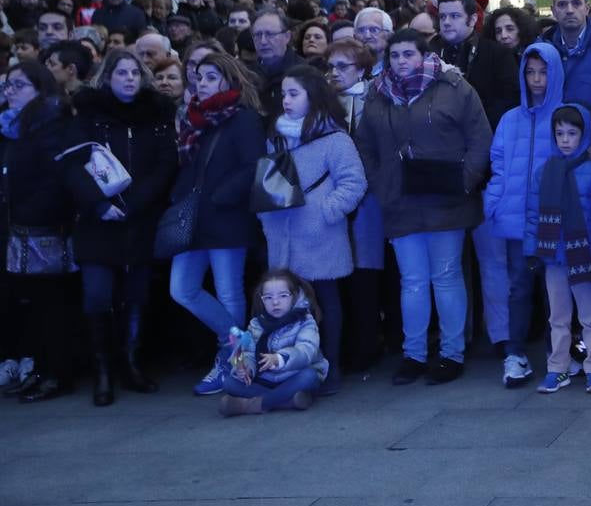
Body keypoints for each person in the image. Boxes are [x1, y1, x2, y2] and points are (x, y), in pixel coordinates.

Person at [356, 29, 492, 386]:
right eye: (395, 55)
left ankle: (451, 354)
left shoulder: (454, 87)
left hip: (446, 197)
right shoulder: (377, 94)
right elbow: (364, 145)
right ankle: (414, 354)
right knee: (412, 280)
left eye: (408, 54)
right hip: (399, 200)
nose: (401, 61)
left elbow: (480, 137)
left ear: (423, 55)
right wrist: (380, 183)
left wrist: (465, 180)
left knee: (445, 277)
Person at [64, 50, 178, 406]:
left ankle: (130, 364)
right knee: (97, 294)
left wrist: (133, 204)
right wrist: (99, 204)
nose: (129, 78)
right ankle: (103, 371)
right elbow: (72, 165)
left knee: (136, 295)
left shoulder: (157, 114)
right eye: (121, 73)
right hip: (98, 221)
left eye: (134, 72)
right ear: (107, 77)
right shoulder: (88, 114)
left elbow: (165, 164)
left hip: (138, 218)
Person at [257, 65, 367, 396]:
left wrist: (326, 212)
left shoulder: (334, 138)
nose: (286, 100)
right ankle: (295, 367)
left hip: (320, 236)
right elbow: (267, 182)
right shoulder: (275, 137)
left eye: (294, 94)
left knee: (327, 301)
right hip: (282, 234)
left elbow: (354, 182)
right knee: (291, 306)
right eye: (284, 94)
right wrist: (267, 216)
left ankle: (330, 365)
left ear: (313, 96)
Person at [168, 52, 267, 396]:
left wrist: (220, 196)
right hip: (195, 217)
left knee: (228, 290)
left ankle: (230, 358)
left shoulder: (243, 119)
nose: (202, 83)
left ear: (229, 79)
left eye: (211, 77)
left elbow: (252, 165)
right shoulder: (197, 119)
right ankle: (241, 346)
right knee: (182, 289)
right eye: (199, 76)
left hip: (226, 216)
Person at [483, 42, 566, 387]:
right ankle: (515, 353)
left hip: (553, 219)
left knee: (555, 290)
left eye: (543, 72)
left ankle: (557, 354)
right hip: (517, 220)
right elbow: (498, 165)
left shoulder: (566, 115)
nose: (536, 79)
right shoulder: (510, 119)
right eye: (530, 72)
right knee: (518, 287)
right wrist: (494, 202)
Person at [526, 105, 591, 394]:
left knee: (590, 317)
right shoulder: (545, 172)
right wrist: (532, 250)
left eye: (572, 133)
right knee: (558, 316)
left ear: (584, 134)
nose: (565, 139)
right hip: (554, 257)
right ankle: (558, 367)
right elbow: (532, 214)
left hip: (584, 256)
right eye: (560, 133)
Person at [1, 61, 76, 402]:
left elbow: (55, 178)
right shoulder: (16, 126)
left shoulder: (51, 122)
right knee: (31, 304)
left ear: (39, 87)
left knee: (51, 305)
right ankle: (41, 368)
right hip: (19, 226)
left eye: (18, 85)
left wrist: (30, 213)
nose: (9, 91)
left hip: (45, 227)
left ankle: (57, 373)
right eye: (7, 85)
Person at [324, 39, 385, 371]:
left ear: (361, 69)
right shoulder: (324, 103)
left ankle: (366, 344)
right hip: (333, 200)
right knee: (339, 275)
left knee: (365, 275)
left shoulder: (372, 100)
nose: (334, 73)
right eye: (330, 66)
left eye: (342, 66)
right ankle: (346, 346)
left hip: (368, 201)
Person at [218, 269, 327, 415]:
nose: (275, 302)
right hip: (266, 381)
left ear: (293, 297)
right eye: (268, 297)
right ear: (262, 299)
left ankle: (250, 405)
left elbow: (306, 350)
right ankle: (286, 401)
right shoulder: (257, 323)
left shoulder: (305, 320)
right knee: (229, 383)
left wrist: (279, 358)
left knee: (309, 376)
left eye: (283, 296)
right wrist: (247, 369)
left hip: (294, 376)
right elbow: (249, 352)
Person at [431, 0, 518, 128]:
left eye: (454, 16)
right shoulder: (429, 54)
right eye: (442, 17)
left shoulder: (497, 54)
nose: (446, 22)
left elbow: (509, 102)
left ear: (472, 20)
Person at [541, 0, 591, 110]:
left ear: (587, 8)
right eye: (562, 4)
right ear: (553, 11)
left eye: (576, 3)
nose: (569, 10)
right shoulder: (542, 50)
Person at [249, 11, 302, 119]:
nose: (263, 41)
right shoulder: (246, 74)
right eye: (258, 35)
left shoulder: (305, 73)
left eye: (270, 34)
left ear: (287, 37)